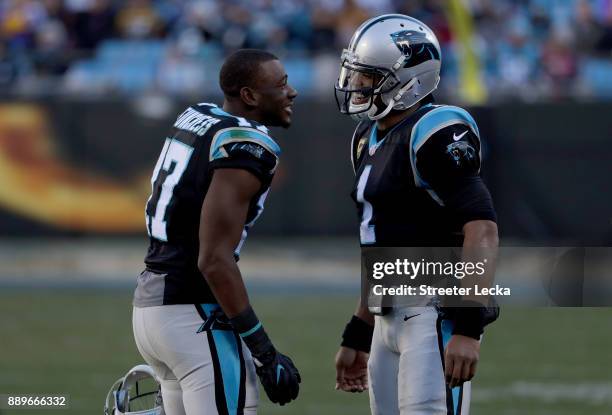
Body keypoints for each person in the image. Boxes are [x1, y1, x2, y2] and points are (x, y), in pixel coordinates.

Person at [333, 14, 499, 415]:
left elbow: (482, 230)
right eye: (355, 75)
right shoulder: (366, 137)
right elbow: (386, 248)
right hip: (387, 317)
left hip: (433, 312)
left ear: (409, 78)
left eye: (369, 77)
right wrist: (359, 330)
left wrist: (468, 327)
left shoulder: (436, 128)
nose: (356, 86)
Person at [132, 49, 300, 415]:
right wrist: (264, 352)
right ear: (250, 96)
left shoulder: (199, 116)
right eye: (281, 84)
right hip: (194, 314)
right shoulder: (247, 145)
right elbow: (213, 259)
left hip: (152, 308)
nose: (292, 92)